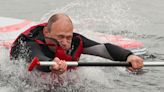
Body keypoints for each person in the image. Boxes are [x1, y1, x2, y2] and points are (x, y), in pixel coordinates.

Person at [10, 13, 143, 75]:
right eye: (60, 37)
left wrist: (129, 56)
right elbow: (37, 58)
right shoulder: (29, 42)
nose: (65, 43)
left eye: (68, 37)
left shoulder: (75, 40)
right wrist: (52, 66)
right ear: (47, 32)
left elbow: (104, 49)